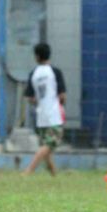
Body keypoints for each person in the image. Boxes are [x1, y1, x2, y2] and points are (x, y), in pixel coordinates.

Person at [21, 42, 67, 176]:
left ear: (36, 56)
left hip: (41, 116)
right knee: (51, 144)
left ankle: (54, 174)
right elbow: (62, 95)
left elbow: (30, 97)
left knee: (46, 147)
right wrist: (61, 104)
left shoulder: (33, 74)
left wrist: (39, 103)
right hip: (54, 115)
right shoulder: (55, 72)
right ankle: (28, 171)